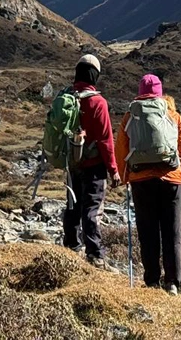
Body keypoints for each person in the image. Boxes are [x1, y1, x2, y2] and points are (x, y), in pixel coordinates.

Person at [115, 74, 181, 294]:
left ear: (140, 92)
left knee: (147, 232)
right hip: (171, 181)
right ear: (159, 92)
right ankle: (173, 282)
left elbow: (120, 149)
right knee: (172, 233)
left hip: (141, 181)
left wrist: (125, 175)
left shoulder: (130, 116)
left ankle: (151, 281)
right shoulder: (173, 115)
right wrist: (172, 166)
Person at [62, 53, 121, 269]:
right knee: (92, 207)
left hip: (71, 163)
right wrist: (113, 169)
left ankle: (70, 247)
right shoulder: (97, 102)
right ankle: (95, 255)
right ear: (94, 75)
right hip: (93, 164)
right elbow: (105, 139)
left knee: (72, 205)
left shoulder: (67, 98)